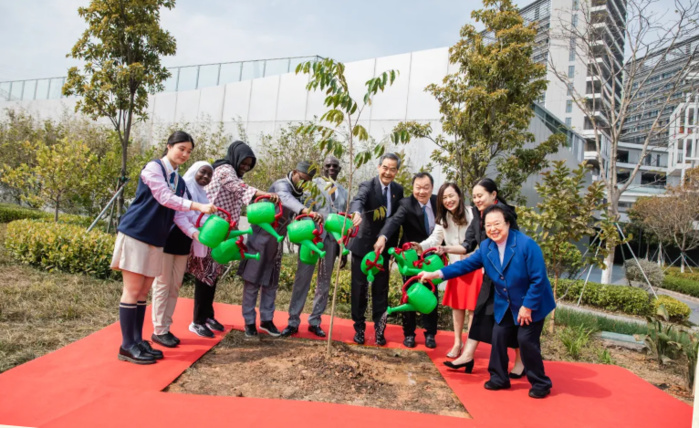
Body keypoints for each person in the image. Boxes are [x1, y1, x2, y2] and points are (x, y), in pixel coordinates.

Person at [418, 204, 555, 399]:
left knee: (526, 340)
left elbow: (539, 279)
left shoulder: (526, 245)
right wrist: (436, 274)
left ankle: (541, 382)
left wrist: (528, 307)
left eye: (497, 223)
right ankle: (499, 378)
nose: (493, 229)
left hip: (531, 302)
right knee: (498, 335)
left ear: (507, 223)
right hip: (506, 302)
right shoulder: (486, 247)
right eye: (488, 225)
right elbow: (464, 265)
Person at [111, 131, 216, 364]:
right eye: (181, 148)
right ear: (169, 146)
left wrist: (197, 234)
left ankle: (137, 341)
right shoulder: (153, 169)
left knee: (143, 293)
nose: (185, 154)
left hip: (157, 239)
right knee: (133, 290)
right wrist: (199, 206)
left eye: (189, 151)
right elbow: (164, 197)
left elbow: (178, 215)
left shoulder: (178, 181)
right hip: (137, 233)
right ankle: (126, 345)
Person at [187, 141, 278, 338]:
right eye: (244, 163)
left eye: (248, 165)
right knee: (205, 275)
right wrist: (263, 194)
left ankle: (208, 315)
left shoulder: (233, 172)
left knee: (213, 273)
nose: (245, 167)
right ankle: (197, 321)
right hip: (210, 229)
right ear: (235, 156)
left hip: (223, 231)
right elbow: (237, 187)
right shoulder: (224, 169)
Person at [443, 178, 524, 375]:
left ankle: (521, 361)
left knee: (512, 318)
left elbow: (512, 247)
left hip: (510, 276)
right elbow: (468, 245)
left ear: (493, 194)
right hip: (490, 274)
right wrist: (443, 249)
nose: (477, 200)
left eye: (481, 196)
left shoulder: (504, 215)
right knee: (480, 312)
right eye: (475, 196)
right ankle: (468, 354)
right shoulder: (478, 216)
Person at [237, 161, 321, 338]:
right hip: (260, 237)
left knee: (271, 282)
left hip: (277, 241)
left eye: (308, 182)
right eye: (303, 179)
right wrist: (305, 210)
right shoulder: (281, 185)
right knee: (252, 282)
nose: (304, 184)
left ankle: (267, 319)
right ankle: (249, 322)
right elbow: (285, 198)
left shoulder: (302, 193)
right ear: (295, 172)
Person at [281, 156, 350, 338]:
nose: (331, 168)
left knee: (324, 283)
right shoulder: (311, 185)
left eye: (335, 166)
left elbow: (344, 220)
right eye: (328, 165)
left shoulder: (343, 191)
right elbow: (299, 208)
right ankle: (293, 321)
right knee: (302, 279)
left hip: (331, 242)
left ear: (340, 169)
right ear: (323, 168)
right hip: (312, 237)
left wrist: (342, 249)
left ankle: (315, 321)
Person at [410, 182, 481, 358]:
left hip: (475, 267)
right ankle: (457, 342)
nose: (449, 200)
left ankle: (469, 347)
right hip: (456, 268)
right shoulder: (443, 219)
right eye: (444, 198)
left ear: (459, 195)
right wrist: (420, 246)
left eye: (451, 196)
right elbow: (435, 239)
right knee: (457, 307)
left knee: (473, 309)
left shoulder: (473, 214)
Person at [151, 161, 213, 348]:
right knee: (162, 284)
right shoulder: (182, 186)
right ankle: (159, 330)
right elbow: (181, 214)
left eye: (209, 175)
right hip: (169, 239)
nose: (205, 177)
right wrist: (197, 230)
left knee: (175, 286)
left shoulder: (203, 193)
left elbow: (199, 219)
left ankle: (166, 328)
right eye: (203, 172)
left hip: (184, 244)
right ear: (194, 169)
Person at [374, 172, 438, 349]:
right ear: (413, 188)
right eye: (418, 187)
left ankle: (430, 333)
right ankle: (409, 333)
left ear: (432, 188)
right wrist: (383, 237)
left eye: (426, 187)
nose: (421, 191)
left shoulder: (438, 203)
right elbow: (393, 222)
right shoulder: (406, 204)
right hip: (410, 258)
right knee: (409, 293)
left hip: (431, 258)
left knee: (431, 292)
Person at [347, 153, 404, 346]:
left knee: (381, 290)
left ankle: (380, 330)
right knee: (359, 288)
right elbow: (359, 200)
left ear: (397, 171)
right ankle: (359, 328)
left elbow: (395, 219)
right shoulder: (367, 185)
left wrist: (389, 245)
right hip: (363, 246)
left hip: (384, 247)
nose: (388, 172)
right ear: (379, 167)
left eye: (393, 169)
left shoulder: (399, 190)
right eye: (385, 167)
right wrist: (355, 212)